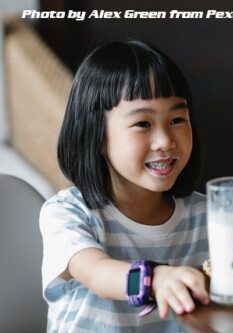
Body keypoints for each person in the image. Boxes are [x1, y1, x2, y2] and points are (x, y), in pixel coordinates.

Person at [39, 39, 210, 332]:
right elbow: (97, 273)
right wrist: (153, 279)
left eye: (177, 119)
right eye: (143, 123)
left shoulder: (209, 216)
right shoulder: (68, 213)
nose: (165, 141)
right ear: (97, 136)